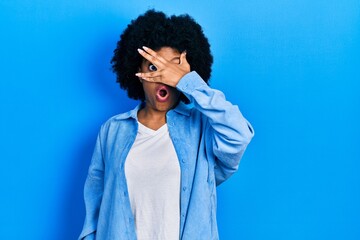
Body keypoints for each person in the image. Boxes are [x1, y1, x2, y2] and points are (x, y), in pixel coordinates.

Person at [79, 9, 254, 240]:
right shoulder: (112, 131)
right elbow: (95, 209)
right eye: (153, 67)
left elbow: (239, 134)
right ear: (137, 72)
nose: (163, 77)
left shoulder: (202, 129)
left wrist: (188, 83)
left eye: (173, 68)